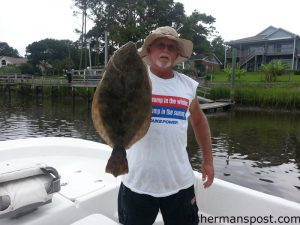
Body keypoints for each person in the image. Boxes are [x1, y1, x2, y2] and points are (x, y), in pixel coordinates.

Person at [118, 26, 214, 225]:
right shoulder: (132, 80)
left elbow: (198, 121)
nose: (166, 50)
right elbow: (113, 112)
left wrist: (208, 161)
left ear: (178, 54)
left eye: (171, 47)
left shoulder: (188, 86)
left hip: (179, 182)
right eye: (160, 45)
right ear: (150, 50)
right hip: (137, 182)